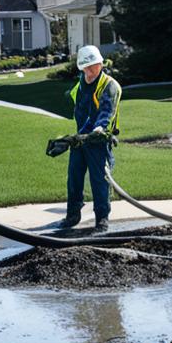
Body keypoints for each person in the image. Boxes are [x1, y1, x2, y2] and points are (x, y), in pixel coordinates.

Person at [60, 45, 123, 232]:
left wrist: (99, 128)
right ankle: (73, 215)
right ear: (82, 68)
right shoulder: (80, 86)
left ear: (101, 64)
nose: (91, 70)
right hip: (81, 139)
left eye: (94, 66)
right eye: (87, 67)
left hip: (98, 141)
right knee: (74, 177)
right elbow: (78, 111)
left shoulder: (109, 85)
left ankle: (102, 219)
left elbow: (106, 112)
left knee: (99, 180)